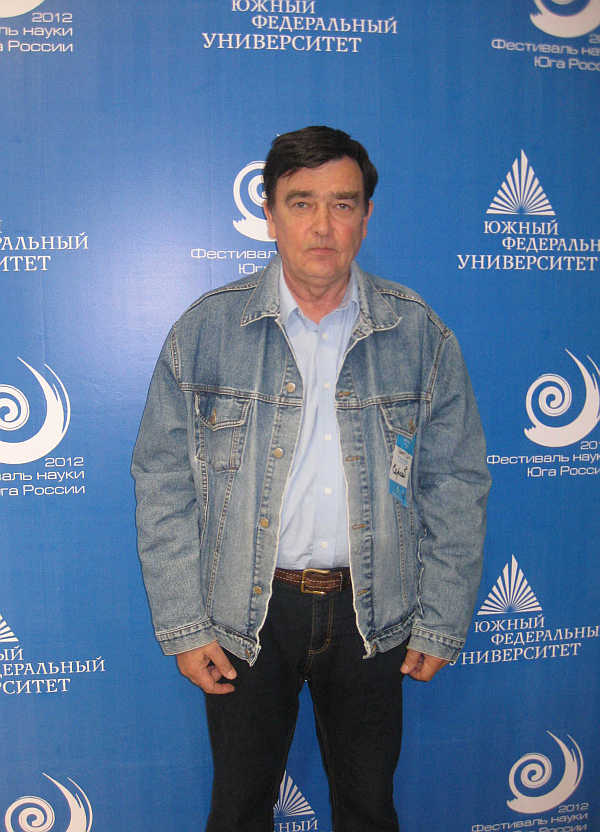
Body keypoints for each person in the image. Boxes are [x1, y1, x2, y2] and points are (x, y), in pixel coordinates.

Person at [132, 125, 491, 831]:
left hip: (374, 616)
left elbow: (456, 481)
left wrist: (443, 619)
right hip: (245, 618)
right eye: (301, 203)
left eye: (343, 203)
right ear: (269, 213)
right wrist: (184, 625)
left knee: (368, 810)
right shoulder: (206, 332)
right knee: (239, 812)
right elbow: (162, 480)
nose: (323, 225)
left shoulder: (420, 334)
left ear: (367, 216)